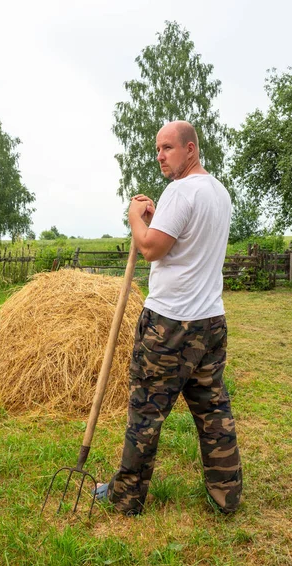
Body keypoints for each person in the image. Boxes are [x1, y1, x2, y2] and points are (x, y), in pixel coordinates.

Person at [96, 120, 242, 516]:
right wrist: (157, 216)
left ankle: (126, 498)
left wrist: (134, 217)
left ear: (190, 149)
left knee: (146, 410)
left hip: (171, 325)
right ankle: (227, 495)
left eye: (168, 148)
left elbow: (150, 248)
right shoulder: (219, 192)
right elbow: (184, 236)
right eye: (158, 149)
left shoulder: (181, 190)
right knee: (213, 409)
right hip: (211, 321)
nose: (160, 155)